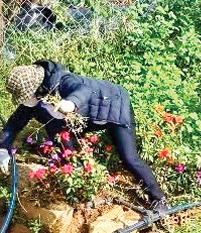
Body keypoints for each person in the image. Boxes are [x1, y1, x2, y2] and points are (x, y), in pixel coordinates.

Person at [0, 61, 167, 210]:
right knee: (61, 141)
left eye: (26, 95)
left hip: (113, 105)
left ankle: (159, 199)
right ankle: (79, 182)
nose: (26, 100)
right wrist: (3, 149)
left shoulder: (62, 80)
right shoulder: (36, 97)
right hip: (85, 116)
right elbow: (15, 123)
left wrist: (71, 102)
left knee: (129, 158)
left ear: (37, 86)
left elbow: (83, 90)